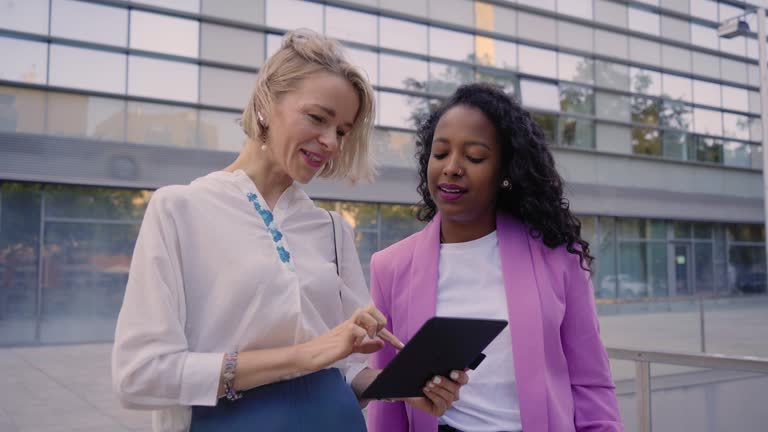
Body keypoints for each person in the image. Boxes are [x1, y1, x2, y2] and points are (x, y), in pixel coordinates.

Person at [112, 30, 465, 432]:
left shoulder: (332, 229)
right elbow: (138, 375)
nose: (331, 142)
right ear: (265, 104)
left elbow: (346, 370)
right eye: (317, 118)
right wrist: (306, 354)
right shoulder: (178, 209)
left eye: (343, 131)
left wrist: (404, 386)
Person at [367, 83, 623, 432]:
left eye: (474, 157)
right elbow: (388, 395)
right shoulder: (390, 266)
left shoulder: (559, 258)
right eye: (440, 153)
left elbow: (591, 382)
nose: (452, 168)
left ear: (505, 173)